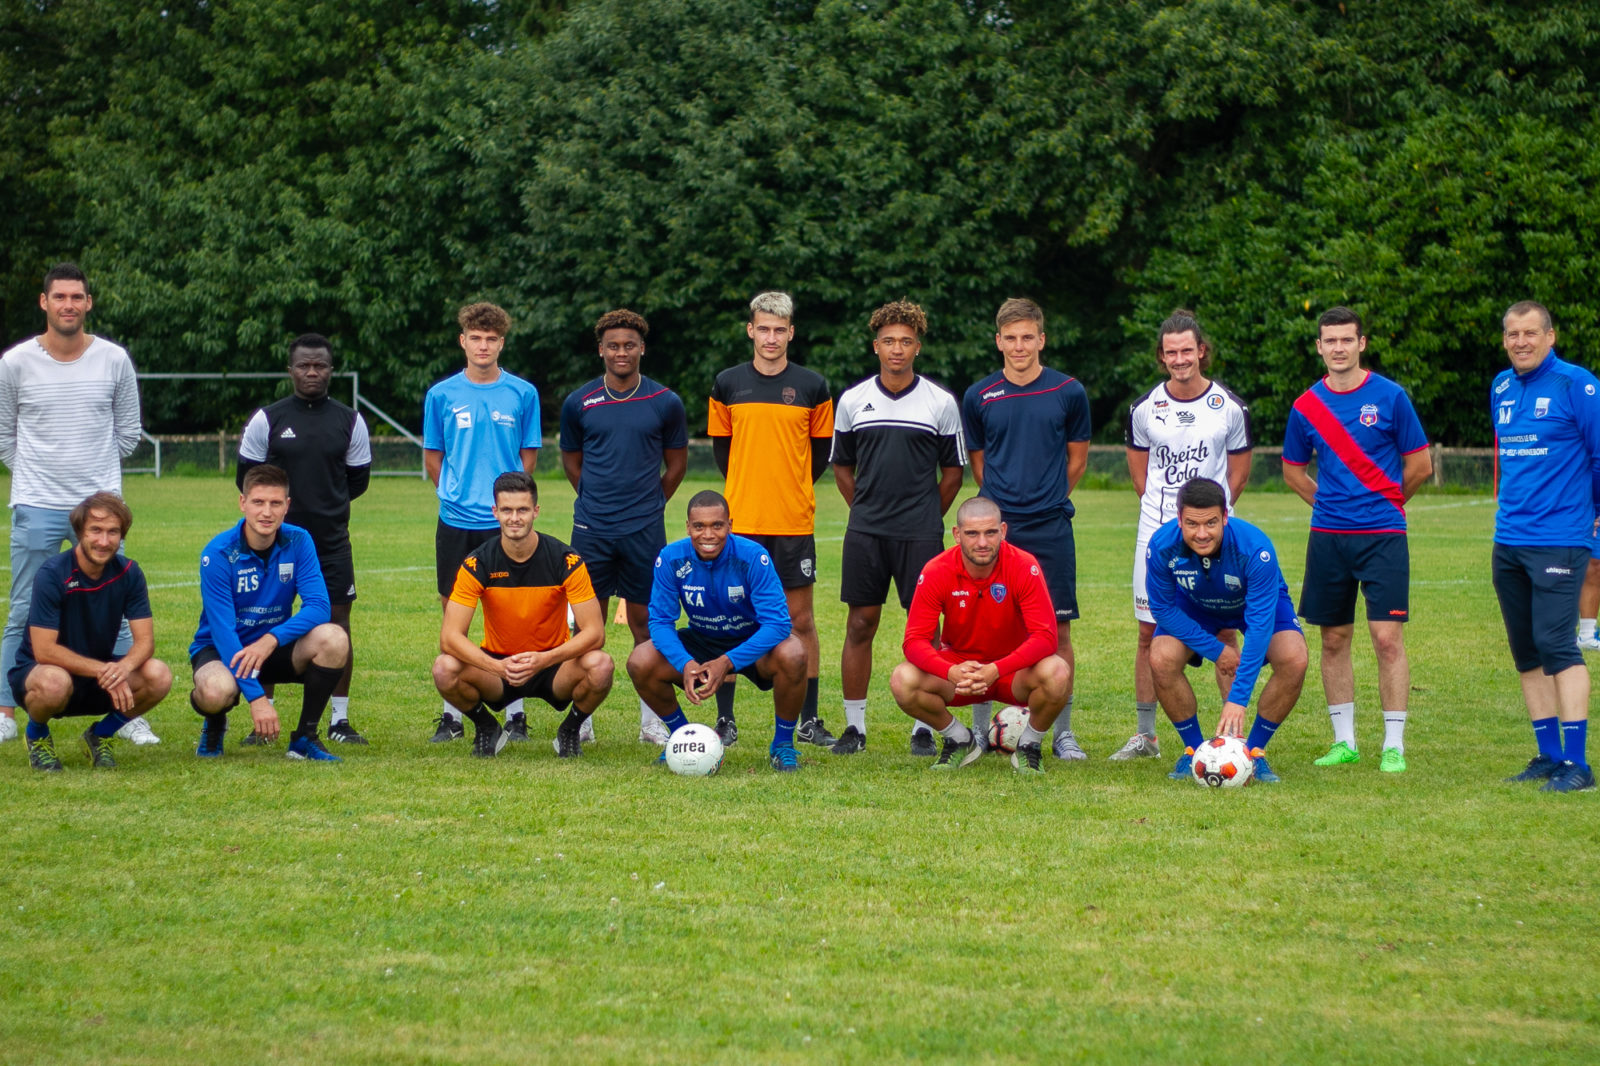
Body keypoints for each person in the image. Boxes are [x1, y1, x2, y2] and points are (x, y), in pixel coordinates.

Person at [0, 262, 156, 746]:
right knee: (22, 607)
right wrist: (38, 476)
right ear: (44, 302)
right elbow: (5, 436)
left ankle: (125, 710)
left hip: (100, 507)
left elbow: (128, 432)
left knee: (116, 607)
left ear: (88, 303)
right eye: (59, 296)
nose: (68, 305)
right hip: (37, 502)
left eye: (77, 297)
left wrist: (94, 481)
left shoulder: (113, 359)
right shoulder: (14, 363)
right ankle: (6, 711)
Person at [1282, 307, 1431, 773]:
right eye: (1330, 340)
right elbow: (1293, 472)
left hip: (1383, 536)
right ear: (1319, 347)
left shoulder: (1391, 397)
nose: (1339, 348)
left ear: (1362, 343)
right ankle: (1344, 741)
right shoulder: (1306, 406)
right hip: (1329, 537)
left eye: (1347, 339)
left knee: (1387, 639)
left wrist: (1385, 504)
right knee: (1333, 639)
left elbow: (1420, 465)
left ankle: (1393, 745)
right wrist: (1331, 505)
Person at [830, 300, 964, 755]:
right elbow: (842, 466)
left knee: (925, 629)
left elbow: (953, 473)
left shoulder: (940, 402)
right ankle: (855, 728)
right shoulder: (853, 400)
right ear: (876, 346)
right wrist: (866, 510)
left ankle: (924, 727)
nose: (897, 349)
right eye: (888, 341)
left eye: (906, 341)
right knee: (860, 623)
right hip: (866, 532)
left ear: (917, 347)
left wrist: (925, 516)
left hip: (920, 535)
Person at [1120, 309, 1253, 763]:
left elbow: (1238, 476)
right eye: (1171, 352)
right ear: (1162, 356)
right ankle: (1146, 736)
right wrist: (1170, 523)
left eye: (1187, 350)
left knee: (1225, 630)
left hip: (1215, 538)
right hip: (1157, 536)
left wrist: (1207, 523)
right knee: (1148, 633)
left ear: (1201, 351)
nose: (1180, 359)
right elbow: (1141, 478)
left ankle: (1233, 740)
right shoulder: (1143, 409)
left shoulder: (1229, 407)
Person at [960, 298, 1090, 759]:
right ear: (999, 341)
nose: (1019, 346)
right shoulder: (978, 395)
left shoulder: (1068, 391)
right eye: (1011, 338)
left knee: (1058, 630)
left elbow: (1077, 459)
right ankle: (980, 730)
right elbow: (980, 464)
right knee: (984, 631)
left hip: (1050, 527)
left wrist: (1045, 498)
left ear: (1041, 339)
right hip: (997, 532)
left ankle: (1062, 734)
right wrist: (1001, 513)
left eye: (1027, 337)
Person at [706, 291, 834, 748]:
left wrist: (789, 488)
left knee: (800, 620)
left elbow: (819, 454)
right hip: (740, 523)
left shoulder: (813, 386)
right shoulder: (726, 384)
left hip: (792, 523)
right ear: (751, 331)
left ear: (791, 333)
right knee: (727, 618)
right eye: (764, 329)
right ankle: (725, 720)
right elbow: (723, 451)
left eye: (780, 330)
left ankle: (809, 720)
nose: (771, 338)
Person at [559, 309, 688, 746]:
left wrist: (648, 505)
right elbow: (572, 463)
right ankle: (582, 719)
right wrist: (596, 501)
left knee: (647, 624)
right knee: (586, 627)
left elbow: (676, 466)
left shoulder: (665, 401)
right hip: (591, 530)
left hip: (644, 531)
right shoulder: (579, 402)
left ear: (642, 349)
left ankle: (652, 722)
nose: (621, 352)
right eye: (613, 345)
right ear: (600, 350)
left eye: (629, 345)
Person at [237, 333, 373, 744]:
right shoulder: (268, 419)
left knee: (338, 625)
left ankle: (339, 720)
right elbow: (247, 478)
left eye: (320, 366)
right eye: (304, 365)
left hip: (330, 542)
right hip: (272, 543)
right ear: (290, 370)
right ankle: (265, 720)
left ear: (331, 370)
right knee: (264, 619)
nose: (312, 372)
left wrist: (324, 507)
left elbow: (357, 481)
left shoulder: (350, 421)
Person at [1492, 300, 1600, 792]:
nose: (1521, 342)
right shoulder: (1501, 386)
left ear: (1550, 336)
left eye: (1530, 333)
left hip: (1560, 538)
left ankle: (1578, 765)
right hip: (1509, 540)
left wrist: (1594, 511)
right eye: (1513, 334)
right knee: (1527, 651)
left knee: (1558, 645)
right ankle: (1549, 755)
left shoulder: (1577, 384)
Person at [422, 302, 541, 744]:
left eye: (491, 339)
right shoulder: (441, 394)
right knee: (453, 613)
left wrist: (512, 505)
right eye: (476, 338)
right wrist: (454, 495)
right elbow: (433, 456)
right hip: (456, 520)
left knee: (509, 613)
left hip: (505, 522)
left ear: (501, 343)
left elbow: (527, 456)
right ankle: (452, 714)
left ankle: (516, 712)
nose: (483, 346)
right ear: (463, 341)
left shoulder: (522, 393)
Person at [432, 472, 613, 758]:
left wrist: (545, 659)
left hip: (553, 665)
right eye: (507, 510)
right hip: (499, 666)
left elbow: (595, 633)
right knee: (444, 668)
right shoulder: (478, 562)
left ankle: (569, 731)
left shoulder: (565, 560)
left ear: (536, 511)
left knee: (601, 665)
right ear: (495, 512)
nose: (514, 518)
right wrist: (497, 667)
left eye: (522, 510)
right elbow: (450, 637)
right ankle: (487, 727)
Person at [626, 490, 808, 772]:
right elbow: (660, 622)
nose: (708, 534)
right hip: (702, 638)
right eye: (699, 526)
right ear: (688, 527)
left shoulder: (753, 557)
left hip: (750, 639)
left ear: (730, 525)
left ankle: (783, 745)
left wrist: (727, 661)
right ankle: (684, 738)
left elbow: (778, 624)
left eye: (717, 525)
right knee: (641, 660)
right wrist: (685, 663)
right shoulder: (671, 558)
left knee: (793, 652)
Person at [889, 496, 1071, 774]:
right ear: (957, 534)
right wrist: (950, 671)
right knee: (903, 680)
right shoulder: (937, 570)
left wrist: (997, 669)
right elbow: (914, 641)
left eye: (990, 532)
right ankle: (959, 739)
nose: (982, 542)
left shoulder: (1024, 565)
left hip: (1012, 672)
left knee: (1057, 672)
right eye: (972, 533)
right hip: (961, 670)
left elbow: (1046, 637)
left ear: (1003, 531)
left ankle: (1029, 746)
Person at [1145, 478, 1308, 784]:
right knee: (1160, 657)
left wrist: (1237, 699)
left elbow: (1260, 624)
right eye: (1192, 524)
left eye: (1210, 523)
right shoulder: (1162, 546)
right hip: (1195, 604)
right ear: (1179, 519)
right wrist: (1217, 650)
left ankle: (1253, 753)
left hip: (1252, 604)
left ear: (1224, 517)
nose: (1201, 533)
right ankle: (1194, 751)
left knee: (1294, 658)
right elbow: (1163, 609)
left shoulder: (1255, 549)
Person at [188, 464, 351, 761]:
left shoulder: (299, 540)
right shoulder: (218, 553)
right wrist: (258, 698)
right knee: (214, 691)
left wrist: (271, 640)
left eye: (275, 503)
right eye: (258, 502)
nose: (266, 512)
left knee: (335, 638)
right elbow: (223, 633)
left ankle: (305, 737)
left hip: (272, 648)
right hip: (224, 650)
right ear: (243, 503)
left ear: (287, 506)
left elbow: (319, 606)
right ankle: (214, 723)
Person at [13, 493, 171, 771]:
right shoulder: (52, 574)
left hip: (98, 675)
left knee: (159, 675)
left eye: (113, 532)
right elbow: (44, 650)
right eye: (95, 530)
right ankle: (37, 734)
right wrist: (104, 670)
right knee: (54, 683)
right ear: (79, 533)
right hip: (44, 673)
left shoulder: (130, 573)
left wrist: (122, 669)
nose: (104, 541)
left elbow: (145, 642)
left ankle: (101, 735)